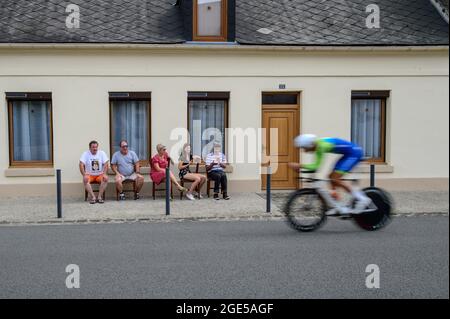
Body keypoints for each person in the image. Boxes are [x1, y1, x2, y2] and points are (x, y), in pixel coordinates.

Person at [289, 134, 372, 215]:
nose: (304, 151)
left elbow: (316, 166)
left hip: (355, 153)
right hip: (348, 154)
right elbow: (315, 167)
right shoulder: (318, 145)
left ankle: (363, 199)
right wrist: (301, 167)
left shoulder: (321, 146)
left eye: (304, 148)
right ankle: (338, 206)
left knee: (335, 179)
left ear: (310, 145)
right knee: (330, 177)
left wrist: (300, 165)